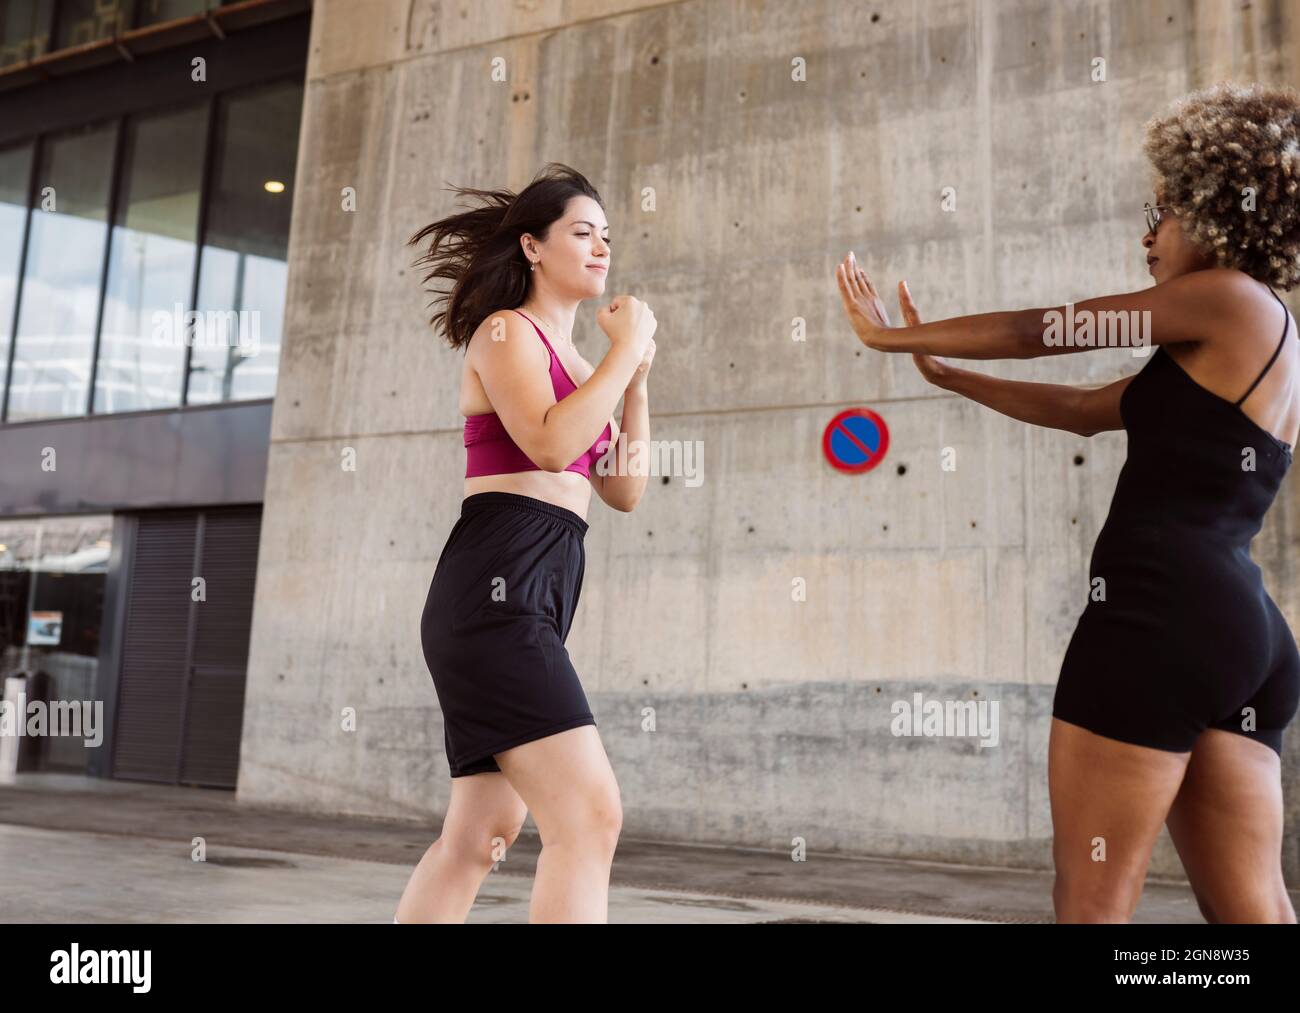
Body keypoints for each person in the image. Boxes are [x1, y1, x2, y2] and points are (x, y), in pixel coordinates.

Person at [835, 82, 1300, 923]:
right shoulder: (1248, 336)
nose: (1147, 234)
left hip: (1161, 618)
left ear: (1219, 208)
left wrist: (893, 335)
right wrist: (948, 376)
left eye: (1164, 212)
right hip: (1243, 635)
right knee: (1253, 912)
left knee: (1092, 904)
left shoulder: (1228, 298)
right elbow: (1087, 409)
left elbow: (1057, 326)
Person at [395, 163, 657, 923]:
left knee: (482, 833)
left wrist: (636, 378)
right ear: (533, 247)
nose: (601, 246)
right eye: (582, 232)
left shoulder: (584, 363)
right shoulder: (506, 331)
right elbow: (548, 442)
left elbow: (624, 488)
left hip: (543, 583)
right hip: (494, 587)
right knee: (590, 814)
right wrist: (622, 351)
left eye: (607, 235)